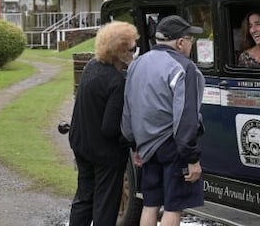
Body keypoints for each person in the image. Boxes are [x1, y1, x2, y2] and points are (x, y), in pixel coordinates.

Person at [121, 15, 206, 226]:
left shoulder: (136, 64)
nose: (191, 45)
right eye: (190, 40)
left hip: (147, 148)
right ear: (180, 42)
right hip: (174, 147)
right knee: (173, 207)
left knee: (150, 204)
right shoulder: (185, 68)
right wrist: (192, 159)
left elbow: (128, 110)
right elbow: (186, 117)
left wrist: (136, 147)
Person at [68, 21, 139, 226]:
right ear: (120, 51)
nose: (134, 53)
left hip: (82, 144)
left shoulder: (92, 66)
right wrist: (131, 140)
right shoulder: (116, 80)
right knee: (105, 205)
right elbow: (110, 128)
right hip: (104, 152)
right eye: (132, 48)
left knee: (84, 197)